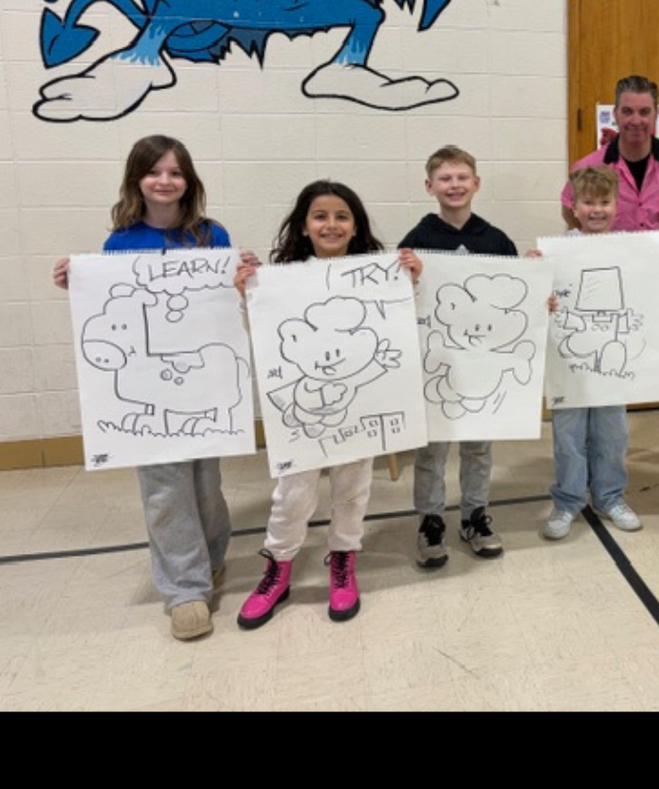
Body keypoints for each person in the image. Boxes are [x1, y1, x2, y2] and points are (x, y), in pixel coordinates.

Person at [53, 134, 240, 643]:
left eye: (175, 172)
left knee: (205, 483)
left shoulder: (211, 235)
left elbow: (225, 303)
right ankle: (184, 589)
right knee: (164, 487)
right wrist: (81, 284)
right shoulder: (120, 243)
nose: (165, 181)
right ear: (137, 179)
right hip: (146, 387)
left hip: (201, 383)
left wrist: (248, 279)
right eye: (154, 171)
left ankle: (211, 559)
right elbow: (112, 311)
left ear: (189, 181)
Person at [234, 180, 423, 629]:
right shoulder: (281, 278)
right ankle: (277, 569)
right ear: (304, 225)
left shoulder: (378, 274)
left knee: (352, 489)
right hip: (300, 416)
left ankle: (343, 559)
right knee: (293, 494)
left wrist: (410, 283)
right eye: (321, 216)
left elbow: (400, 328)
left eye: (342, 216)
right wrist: (248, 295)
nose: (331, 224)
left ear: (355, 226)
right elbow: (262, 335)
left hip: (357, 409)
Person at [562, 75, 659, 470]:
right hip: (610, 291)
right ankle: (601, 451)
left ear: (657, 114)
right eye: (627, 111)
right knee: (608, 365)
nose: (636, 120)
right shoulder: (590, 166)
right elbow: (570, 213)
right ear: (615, 113)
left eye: (645, 111)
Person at [399, 146, 518, 569]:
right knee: (431, 450)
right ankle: (430, 520)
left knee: (478, 447)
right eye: (445, 179)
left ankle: (474, 515)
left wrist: (535, 282)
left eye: (462, 177)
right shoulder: (416, 242)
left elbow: (514, 300)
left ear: (476, 183)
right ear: (430, 186)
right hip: (436, 366)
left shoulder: (497, 239)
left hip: (482, 366)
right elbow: (399, 301)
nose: (454, 185)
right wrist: (405, 275)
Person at [544, 166, 657, 540]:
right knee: (569, 435)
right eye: (588, 202)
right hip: (571, 361)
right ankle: (568, 501)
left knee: (613, 433)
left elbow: (643, 293)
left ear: (617, 204)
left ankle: (610, 496)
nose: (597, 210)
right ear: (573, 207)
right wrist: (535, 277)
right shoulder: (557, 251)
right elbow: (543, 299)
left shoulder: (630, 249)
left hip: (612, 360)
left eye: (604, 202)